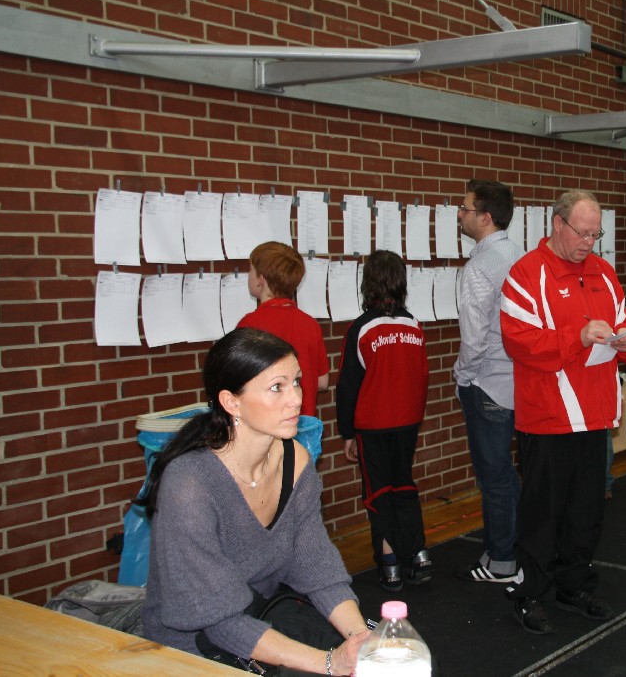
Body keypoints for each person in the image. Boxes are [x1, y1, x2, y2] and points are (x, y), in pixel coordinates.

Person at [139, 328, 369, 676]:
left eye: (296, 382)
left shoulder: (295, 461)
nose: (296, 399)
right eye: (277, 387)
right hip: (193, 649)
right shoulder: (189, 484)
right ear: (232, 402)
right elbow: (217, 621)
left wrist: (362, 640)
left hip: (260, 617)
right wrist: (330, 662)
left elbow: (317, 568)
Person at [500, 189, 626, 635]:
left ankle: (574, 585)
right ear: (558, 224)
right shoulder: (525, 275)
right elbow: (519, 342)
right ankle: (529, 593)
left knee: (586, 510)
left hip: (596, 415)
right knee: (542, 513)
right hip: (549, 417)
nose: (588, 242)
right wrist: (577, 337)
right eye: (581, 233)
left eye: (595, 234)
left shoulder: (603, 272)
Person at [336, 250, 431, 592]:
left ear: (368, 284)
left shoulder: (361, 328)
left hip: (373, 425)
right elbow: (422, 376)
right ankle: (418, 553)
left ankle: (390, 562)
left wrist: (347, 432)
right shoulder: (413, 325)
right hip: (407, 423)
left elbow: (348, 385)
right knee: (403, 485)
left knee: (378, 493)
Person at [453, 179, 525, 584]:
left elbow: (475, 338)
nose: (459, 214)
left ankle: (501, 561)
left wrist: (463, 377)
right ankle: (511, 547)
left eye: (465, 208)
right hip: (520, 382)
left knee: (494, 477)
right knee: (508, 475)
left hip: (488, 384)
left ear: (485, 218)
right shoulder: (521, 256)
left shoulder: (480, 267)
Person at [239, 242, 330, 417]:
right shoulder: (310, 324)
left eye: (250, 270)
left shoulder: (249, 325)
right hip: (303, 424)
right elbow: (322, 382)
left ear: (261, 279)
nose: (248, 275)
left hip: (266, 425)